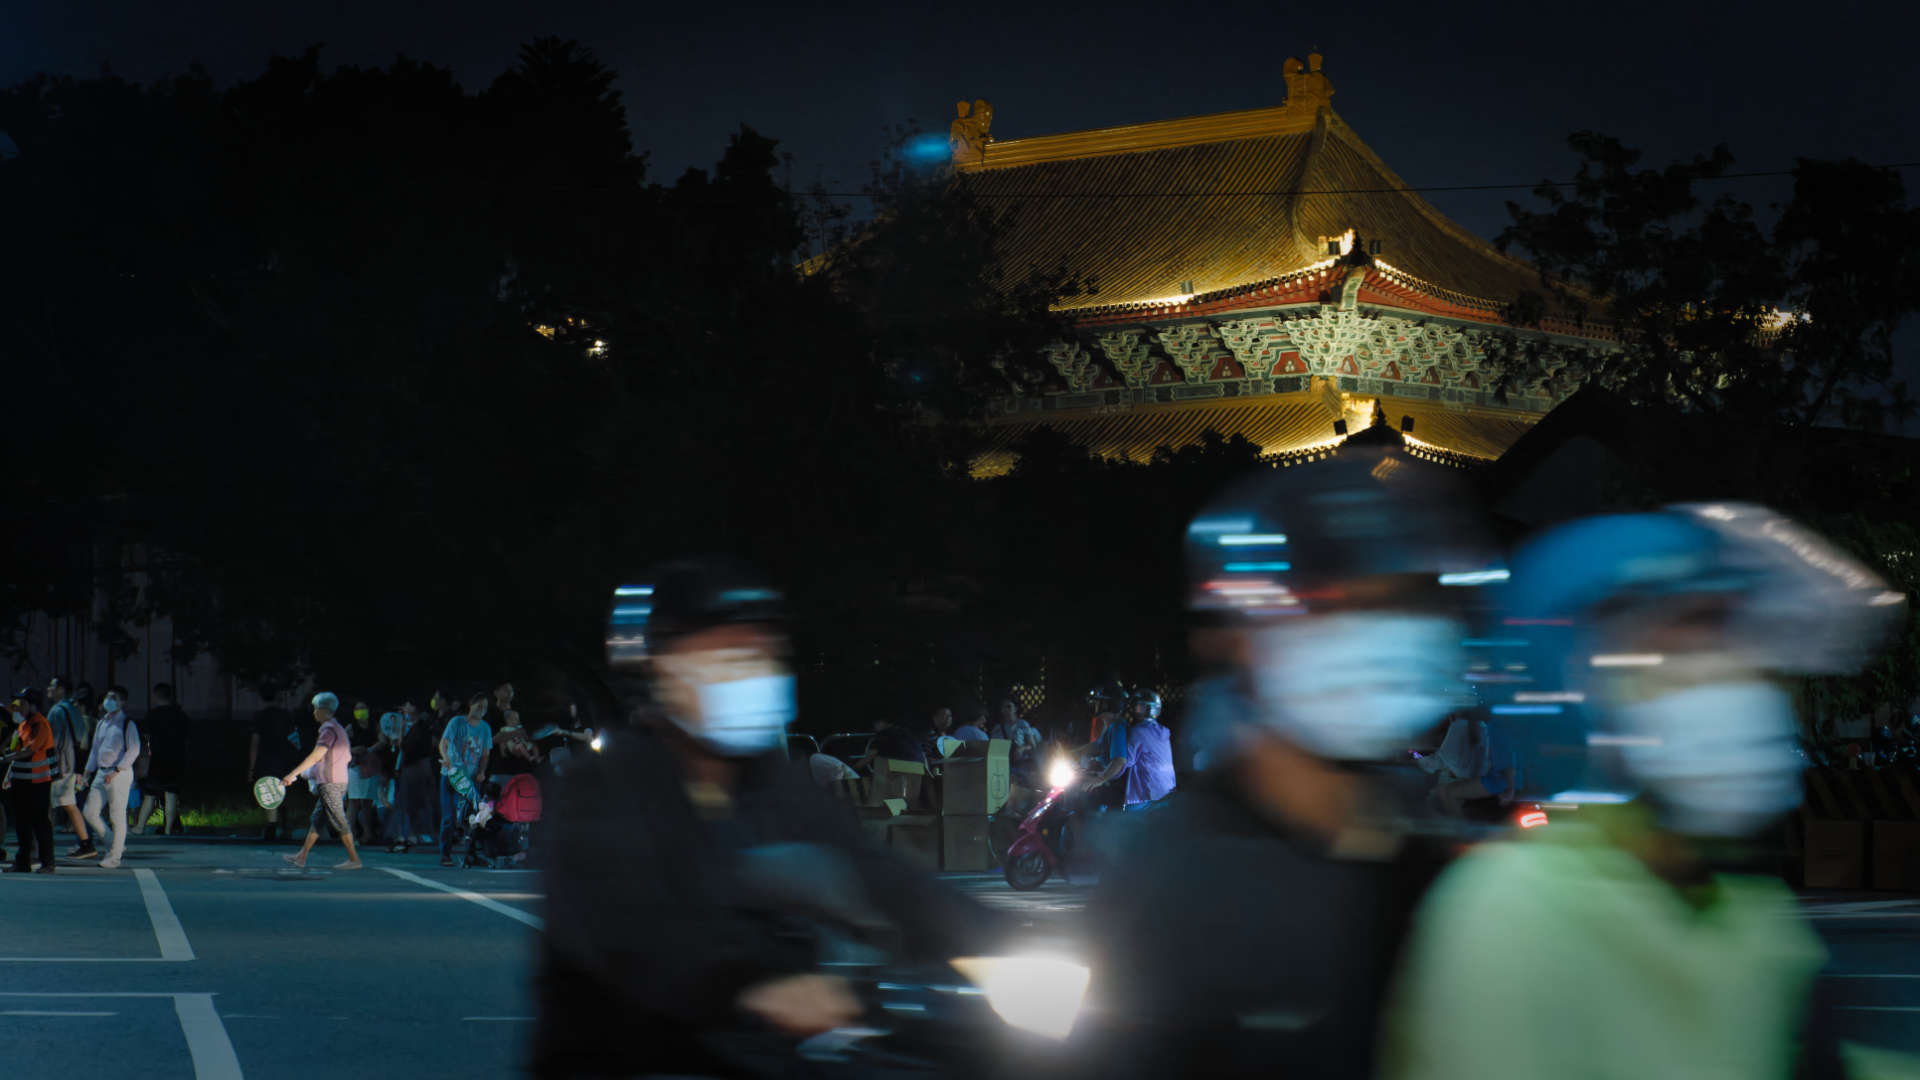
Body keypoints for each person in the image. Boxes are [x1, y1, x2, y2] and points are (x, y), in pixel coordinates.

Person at [1380, 503, 1906, 1080]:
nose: (1731, 678)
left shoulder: (1749, 911)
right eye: (1683, 649)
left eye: (1736, 646)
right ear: (1579, 684)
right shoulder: (1511, 914)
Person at [1086, 446, 1489, 1079]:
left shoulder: (1425, 852)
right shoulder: (1172, 879)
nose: (1373, 635)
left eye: (1398, 605)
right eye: (1330, 603)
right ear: (1237, 636)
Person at [534, 557, 1008, 1077]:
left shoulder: (776, 784)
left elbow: (882, 874)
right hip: (642, 1054)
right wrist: (749, 986)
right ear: (660, 667)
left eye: (764, 652)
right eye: (729, 650)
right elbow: (636, 932)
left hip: (772, 1053)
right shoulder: (600, 787)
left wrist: (1008, 943)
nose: (754, 668)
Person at [279, 692, 362, 870]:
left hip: (330, 782)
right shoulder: (337, 728)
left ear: (324, 710)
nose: (314, 712)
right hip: (336, 780)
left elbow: (317, 755)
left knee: (339, 820)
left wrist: (293, 774)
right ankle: (302, 856)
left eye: (316, 708)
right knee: (318, 819)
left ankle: (354, 859)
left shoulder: (328, 729)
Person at [78, 686, 140, 869]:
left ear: (122, 702)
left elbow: (134, 749)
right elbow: (96, 749)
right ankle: (114, 843)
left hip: (118, 774)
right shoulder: (102, 722)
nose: (109, 700)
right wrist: (87, 771)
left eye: (114, 698)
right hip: (101, 772)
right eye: (107, 696)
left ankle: (114, 856)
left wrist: (118, 770)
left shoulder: (127, 723)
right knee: (89, 812)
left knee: (117, 815)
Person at [3, 690, 58, 873]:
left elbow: (28, 750)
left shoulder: (40, 724)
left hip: (38, 783)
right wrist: (8, 773)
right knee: (22, 824)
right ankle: (23, 862)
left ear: (32, 704)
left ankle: (48, 863)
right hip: (21, 782)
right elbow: (13, 749)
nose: (17, 708)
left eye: (21, 704)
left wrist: (5, 759)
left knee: (40, 823)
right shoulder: (24, 724)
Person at [438, 693, 493, 867]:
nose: (481, 709)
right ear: (471, 704)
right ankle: (445, 854)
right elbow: (443, 743)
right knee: (449, 816)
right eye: (479, 705)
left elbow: (485, 754)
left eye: (484, 706)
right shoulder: (457, 722)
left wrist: (482, 772)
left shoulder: (485, 728)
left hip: (471, 778)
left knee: (471, 816)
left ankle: (470, 853)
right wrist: (446, 758)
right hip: (452, 774)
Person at [45, 676, 96, 859]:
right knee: (70, 805)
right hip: (73, 764)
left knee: (48, 807)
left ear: (61, 689)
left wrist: (50, 765)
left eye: (52, 686)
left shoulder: (57, 711)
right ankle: (86, 843)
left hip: (60, 765)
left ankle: (44, 847)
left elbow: (53, 741)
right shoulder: (73, 709)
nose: (48, 689)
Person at [249, 688, 305, 843]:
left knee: (268, 789)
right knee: (283, 789)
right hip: (286, 759)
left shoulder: (260, 717)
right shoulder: (287, 716)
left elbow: (255, 743)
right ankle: (285, 824)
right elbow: (295, 739)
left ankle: (271, 826)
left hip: (266, 759)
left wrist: (252, 767)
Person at [132, 682, 187, 836]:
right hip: (176, 759)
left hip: (156, 758)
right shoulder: (180, 714)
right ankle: (169, 829)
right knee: (171, 794)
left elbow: (145, 738)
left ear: (156, 695)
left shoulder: (152, 715)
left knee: (150, 795)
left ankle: (140, 827)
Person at [1122, 689, 1176, 809]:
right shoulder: (1164, 731)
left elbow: (1125, 761)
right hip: (1167, 791)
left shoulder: (1138, 731)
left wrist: (1103, 773)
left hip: (1144, 795)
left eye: (1139, 706)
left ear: (1149, 709)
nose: (1134, 709)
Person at [344, 700, 382, 841]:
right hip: (355, 765)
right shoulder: (351, 727)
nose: (360, 711)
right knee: (354, 801)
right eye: (357, 708)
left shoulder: (374, 725)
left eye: (363, 708)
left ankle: (368, 834)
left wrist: (370, 749)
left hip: (371, 765)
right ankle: (349, 834)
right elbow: (342, 745)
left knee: (367, 801)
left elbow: (382, 740)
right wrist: (354, 750)